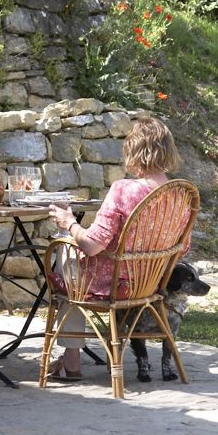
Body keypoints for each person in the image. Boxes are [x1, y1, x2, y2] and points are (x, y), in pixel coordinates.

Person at [47, 116, 187, 381]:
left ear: (134, 151)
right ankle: (71, 359)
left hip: (111, 283)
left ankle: (71, 360)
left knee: (65, 257)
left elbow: (91, 246)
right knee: (71, 263)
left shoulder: (123, 190)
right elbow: (183, 248)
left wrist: (69, 224)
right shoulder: (181, 195)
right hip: (149, 284)